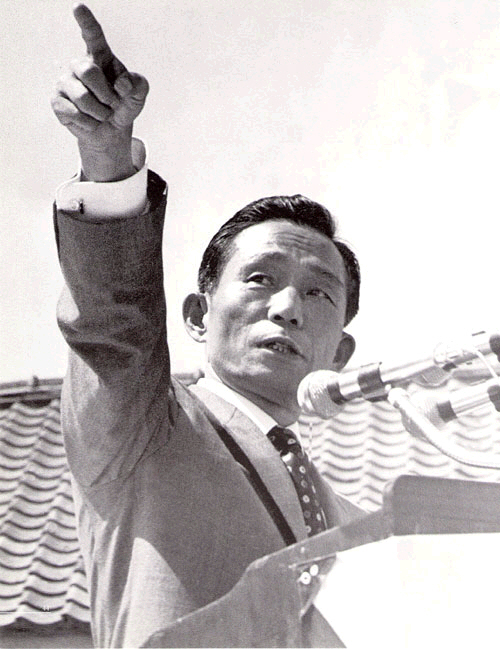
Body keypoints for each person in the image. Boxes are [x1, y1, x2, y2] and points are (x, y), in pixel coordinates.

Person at [52, 5, 365, 647]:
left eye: (317, 292)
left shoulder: (358, 526)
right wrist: (107, 160)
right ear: (198, 316)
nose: (287, 307)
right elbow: (113, 324)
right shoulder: (143, 425)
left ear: (340, 351)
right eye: (260, 278)